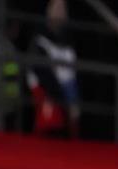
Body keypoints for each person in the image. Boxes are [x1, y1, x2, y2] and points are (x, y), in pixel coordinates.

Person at [27, 0, 79, 138]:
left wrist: (73, 102)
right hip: (49, 99)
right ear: (48, 11)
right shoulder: (39, 41)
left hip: (69, 99)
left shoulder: (69, 42)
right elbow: (43, 74)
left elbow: (72, 75)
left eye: (63, 8)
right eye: (56, 7)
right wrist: (64, 102)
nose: (59, 12)